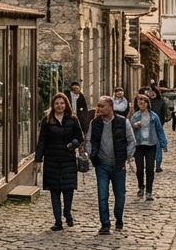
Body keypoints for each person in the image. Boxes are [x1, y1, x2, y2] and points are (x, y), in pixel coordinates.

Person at [85, 95, 136, 234]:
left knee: (120, 196)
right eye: (98, 106)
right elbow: (88, 140)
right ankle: (105, 223)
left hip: (118, 165)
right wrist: (92, 154)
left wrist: (126, 156)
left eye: (102, 106)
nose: (99, 108)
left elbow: (131, 141)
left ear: (110, 107)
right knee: (102, 195)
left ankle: (118, 218)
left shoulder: (122, 122)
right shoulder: (95, 123)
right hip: (101, 164)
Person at [35, 93, 83, 230]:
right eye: (57, 103)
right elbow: (42, 141)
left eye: (62, 103)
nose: (59, 106)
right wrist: (38, 159)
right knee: (54, 191)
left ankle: (67, 213)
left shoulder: (72, 120)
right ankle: (58, 221)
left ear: (66, 104)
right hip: (52, 160)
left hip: (68, 159)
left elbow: (79, 137)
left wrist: (73, 144)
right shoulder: (47, 120)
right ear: (53, 105)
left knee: (68, 189)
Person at [129, 93, 168, 200]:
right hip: (139, 145)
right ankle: (141, 186)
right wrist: (134, 126)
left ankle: (149, 192)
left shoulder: (153, 116)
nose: (141, 103)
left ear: (147, 103)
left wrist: (164, 143)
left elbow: (159, 130)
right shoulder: (135, 116)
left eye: (143, 101)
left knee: (150, 169)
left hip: (151, 144)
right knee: (140, 168)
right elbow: (130, 132)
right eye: (139, 102)